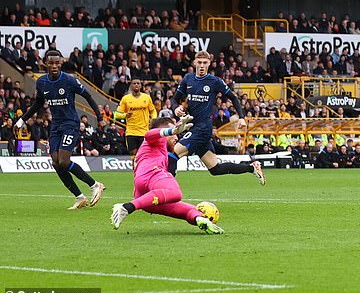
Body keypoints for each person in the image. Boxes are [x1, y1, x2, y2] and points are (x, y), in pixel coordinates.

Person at [16, 50, 106, 209]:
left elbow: (89, 96)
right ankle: (79, 197)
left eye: (57, 63)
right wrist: (22, 119)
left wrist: (99, 117)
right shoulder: (41, 82)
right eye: (51, 63)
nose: (54, 66)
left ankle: (94, 185)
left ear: (61, 63)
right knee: (56, 164)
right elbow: (38, 103)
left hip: (70, 123)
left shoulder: (70, 80)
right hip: (55, 126)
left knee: (63, 161)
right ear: (45, 64)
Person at [111, 116, 224, 234]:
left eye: (177, 133)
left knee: (189, 209)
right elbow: (149, 134)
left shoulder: (159, 150)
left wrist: (199, 219)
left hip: (142, 193)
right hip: (152, 174)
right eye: (174, 133)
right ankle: (126, 207)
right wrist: (170, 131)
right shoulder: (157, 140)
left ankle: (201, 220)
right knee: (175, 192)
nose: (176, 137)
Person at [170, 51, 265, 184]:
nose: (202, 65)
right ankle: (251, 167)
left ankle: (166, 192)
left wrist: (241, 117)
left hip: (202, 129)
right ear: (195, 63)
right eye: (199, 62)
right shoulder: (188, 79)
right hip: (192, 126)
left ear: (209, 64)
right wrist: (176, 108)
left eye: (205, 63)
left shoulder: (215, 81)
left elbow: (233, 98)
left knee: (172, 155)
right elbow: (174, 99)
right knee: (215, 169)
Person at [114, 77, 157, 159]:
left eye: (138, 83)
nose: (136, 85)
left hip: (144, 131)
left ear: (141, 86)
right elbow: (116, 114)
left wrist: (153, 119)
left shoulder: (146, 98)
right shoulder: (126, 99)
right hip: (131, 131)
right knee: (133, 153)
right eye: (134, 83)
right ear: (131, 86)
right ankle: (135, 171)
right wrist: (125, 115)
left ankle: (142, 170)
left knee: (143, 153)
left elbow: (153, 111)